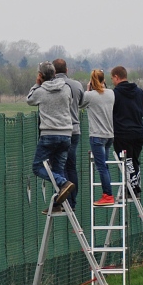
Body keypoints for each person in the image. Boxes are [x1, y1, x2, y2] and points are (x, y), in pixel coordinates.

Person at [27, 61, 75, 213]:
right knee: (58, 168)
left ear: (40, 76)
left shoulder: (40, 91)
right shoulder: (66, 88)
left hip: (49, 134)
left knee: (37, 167)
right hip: (67, 134)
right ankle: (57, 204)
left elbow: (29, 99)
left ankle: (63, 182)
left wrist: (36, 85)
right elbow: (70, 101)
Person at [110, 65, 143, 197]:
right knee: (134, 160)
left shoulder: (114, 94)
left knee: (127, 161)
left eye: (112, 78)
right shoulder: (139, 92)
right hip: (138, 132)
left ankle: (132, 189)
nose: (112, 81)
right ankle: (134, 186)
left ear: (116, 77)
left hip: (122, 133)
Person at [52, 58, 85, 208]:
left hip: (58, 130)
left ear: (53, 71)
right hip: (75, 129)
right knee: (71, 166)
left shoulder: (51, 86)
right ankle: (73, 200)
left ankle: (64, 200)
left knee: (59, 166)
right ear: (67, 70)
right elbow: (82, 102)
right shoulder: (77, 85)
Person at [81, 69, 115, 205]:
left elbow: (80, 104)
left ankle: (108, 195)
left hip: (96, 135)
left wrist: (88, 89)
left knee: (101, 167)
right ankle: (107, 193)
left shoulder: (89, 95)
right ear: (104, 80)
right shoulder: (111, 93)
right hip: (109, 135)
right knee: (104, 166)